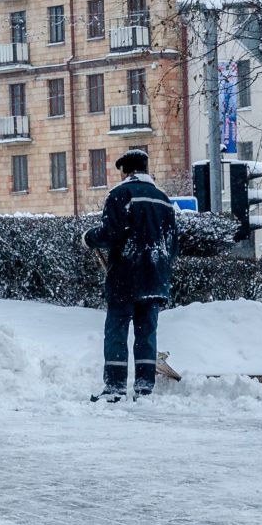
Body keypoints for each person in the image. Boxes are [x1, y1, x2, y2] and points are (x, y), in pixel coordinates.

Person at [82, 150, 180, 399]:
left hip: (125, 277)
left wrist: (89, 238)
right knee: (146, 333)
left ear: (126, 171)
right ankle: (144, 388)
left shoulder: (120, 194)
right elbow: (173, 244)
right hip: (156, 278)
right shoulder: (164, 200)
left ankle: (114, 388)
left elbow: (111, 233)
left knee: (117, 330)